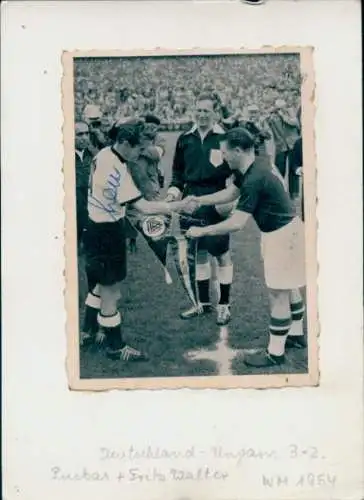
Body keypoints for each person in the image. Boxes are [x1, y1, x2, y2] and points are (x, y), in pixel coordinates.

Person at [184, 127, 306, 367]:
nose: (223, 157)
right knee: (289, 286)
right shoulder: (254, 165)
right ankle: (296, 334)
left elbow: (237, 223)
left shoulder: (255, 178)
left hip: (281, 236)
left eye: (225, 153)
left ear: (238, 151)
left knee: (278, 293)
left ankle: (275, 353)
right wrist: (200, 199)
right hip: (286, 231)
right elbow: (231, 192)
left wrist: (202, 231)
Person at [80, 120, 185, 361]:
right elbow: (145, 207)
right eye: (138, 149)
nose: (140, 154)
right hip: (107, 233)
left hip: (95, 227)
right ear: (125, 144)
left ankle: (88, 331)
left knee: (98, 285)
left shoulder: (105, 153)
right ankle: (116, 347)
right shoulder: (115, 168)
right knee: (111, 292)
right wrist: (178, 206)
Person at [166, 93, 234, 326]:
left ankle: (224, 306)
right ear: (193, 111)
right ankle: (203, 304)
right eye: (199, 110)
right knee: (199, 252)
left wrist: (232, 199)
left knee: (222, 253)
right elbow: (177, 173)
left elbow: (236, 172)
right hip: (191, 202)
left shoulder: (225, 138)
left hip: (217, 199)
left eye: (207, 110)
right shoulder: (185, 138)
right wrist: (174, 192)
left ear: (215, 112)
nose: (202, 114)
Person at [267, 99, 300, 180]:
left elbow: (295, 123)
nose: (280, 110)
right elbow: (266, 123)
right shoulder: (273, 117)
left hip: (292, 144)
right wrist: (271, 112)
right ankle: (279, 187)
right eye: (278, 108)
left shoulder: (290, 112)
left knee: (293, 169)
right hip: (281, 145)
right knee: (279, 168)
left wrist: (283, 116)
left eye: (282, 108)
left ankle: (294, 192)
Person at [75, 121, 93, 250]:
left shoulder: (93, 155)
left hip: (90, 202)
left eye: (87, 133)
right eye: (80, 134)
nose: (85, 137)